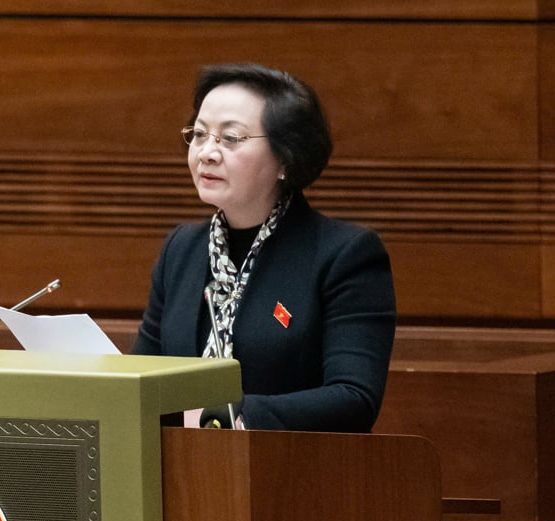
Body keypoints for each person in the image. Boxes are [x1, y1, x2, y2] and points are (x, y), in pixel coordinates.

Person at [132, 63, 396, 432]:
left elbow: (354, 397)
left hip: (290, 474)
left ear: (286, 159)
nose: (206, 153)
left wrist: (225, 418)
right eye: (199, 134)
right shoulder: (182, 250)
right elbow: (144, 374)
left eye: (231, 138)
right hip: (178, 472)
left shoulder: (344, 256)